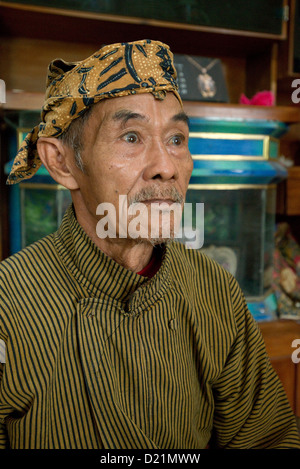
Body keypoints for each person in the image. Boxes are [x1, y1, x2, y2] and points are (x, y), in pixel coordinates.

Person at [0, 39, 299, 450]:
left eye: (176, 139)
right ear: (62, 162)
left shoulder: (216, 292)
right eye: (131, 137)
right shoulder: (9, 307)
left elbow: (269, 439)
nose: (165, 168)